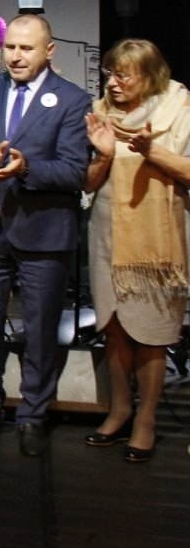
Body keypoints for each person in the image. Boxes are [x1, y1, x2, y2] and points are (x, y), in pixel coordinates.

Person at [0, 14, 90, 457]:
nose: (15, 56)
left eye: (26, 48)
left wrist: (27, 168)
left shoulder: (72, 100)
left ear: (48, 51)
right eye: (11, 47)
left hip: (44, 230)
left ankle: (33, 415)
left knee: (39, 329)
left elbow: (75, 171)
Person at [83, 39, 190, 464]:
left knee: (151, 333)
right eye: (110, 73)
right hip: (107, 234)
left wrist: (151, 151)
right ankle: (120, 409)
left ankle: (145, 420)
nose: (113, 83)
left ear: (149, 76)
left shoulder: (179, 108)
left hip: (156, 245)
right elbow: (89, 183)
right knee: (114, 327)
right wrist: (104, 156)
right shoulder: (100, 112)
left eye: (123, 74)